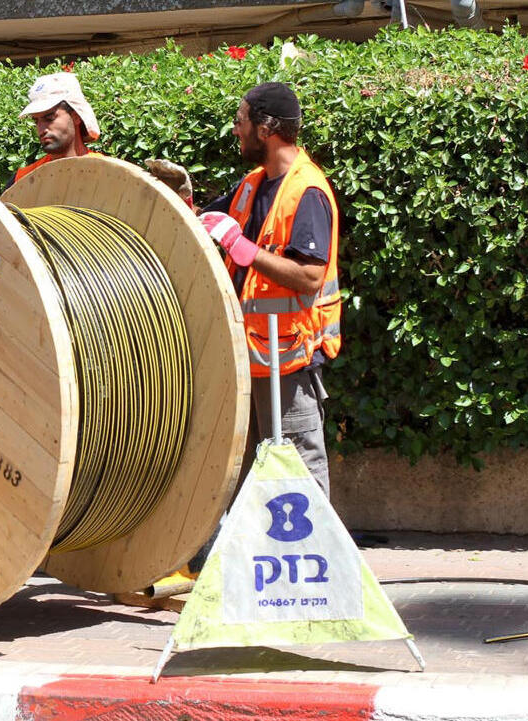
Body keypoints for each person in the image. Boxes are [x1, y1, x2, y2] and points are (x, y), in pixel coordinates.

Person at [189, 82, 342, 572]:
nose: (235, 129)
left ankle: (321, 573)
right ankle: (240, 569)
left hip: (289, 359)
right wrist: (183, 200)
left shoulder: (307, 191)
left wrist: (248, 251)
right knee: (237, 466)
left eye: (242, 119)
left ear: (267, 128)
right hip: (248, 358)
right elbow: (204, 221)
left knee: (299, 468)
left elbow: (310, 276)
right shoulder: (253, 184)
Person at [8, 72, 102, 188]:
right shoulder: (21, 181)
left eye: (49, 118)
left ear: (76, 116)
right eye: (36, 121)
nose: (41, 129)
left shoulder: (109, 174)